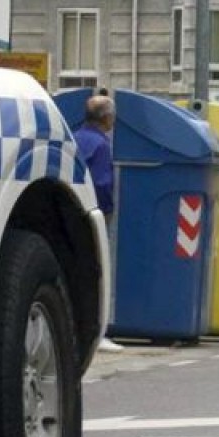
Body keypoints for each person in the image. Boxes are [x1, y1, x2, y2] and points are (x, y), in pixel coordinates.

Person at [74, 93, 124, 353]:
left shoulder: (75, 137)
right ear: (107, 118)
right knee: (97, 270)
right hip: (95, 212)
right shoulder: (102, 145)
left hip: (72, 209)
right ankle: (97, 332)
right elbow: (103, 183)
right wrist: (107, 211)